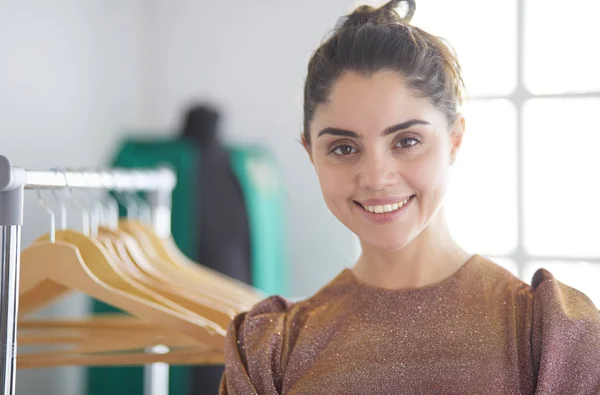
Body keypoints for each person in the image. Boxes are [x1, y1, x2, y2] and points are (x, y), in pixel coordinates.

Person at [219, 0, 600, 393]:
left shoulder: (552, 337)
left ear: (454, 140)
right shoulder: (269, 350)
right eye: (344, 148)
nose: (376, 178)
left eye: (407, 140)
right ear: (311, 154)